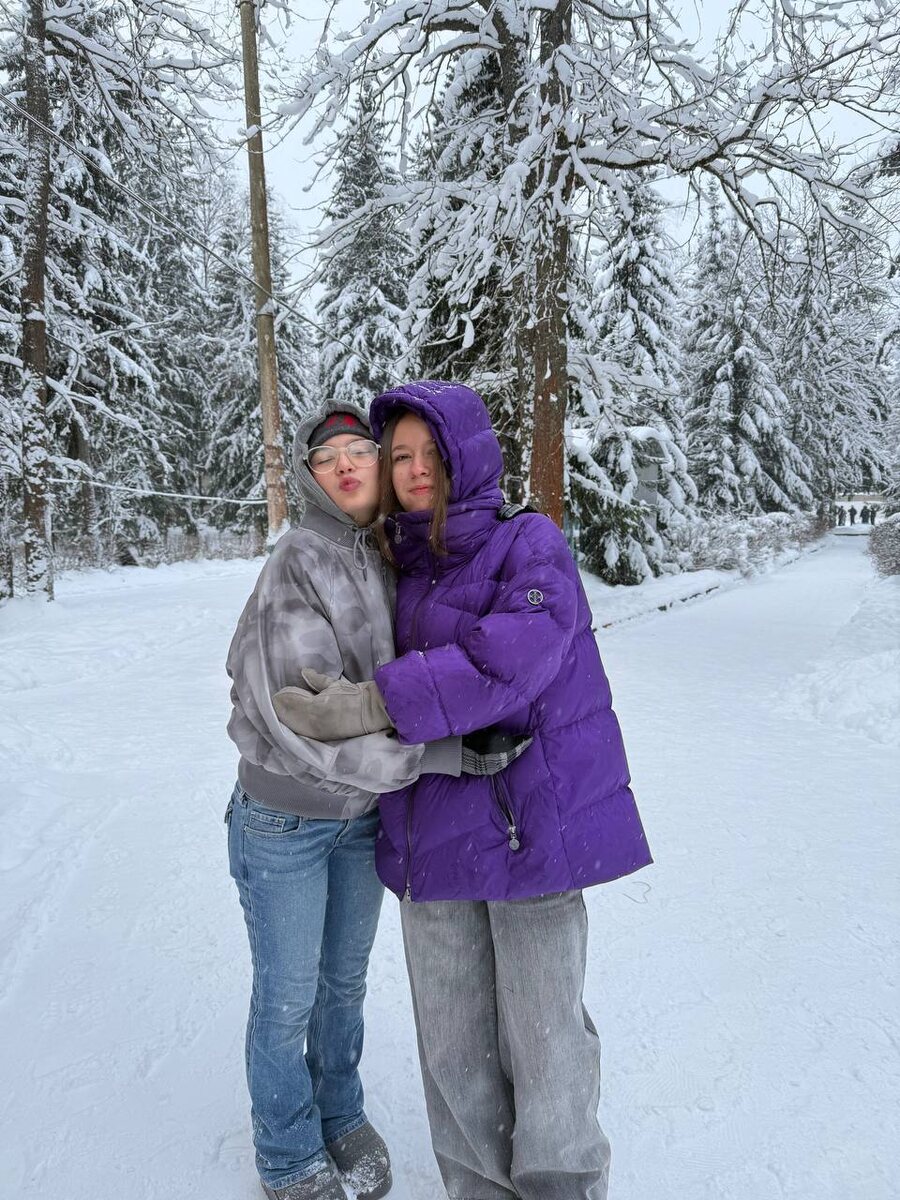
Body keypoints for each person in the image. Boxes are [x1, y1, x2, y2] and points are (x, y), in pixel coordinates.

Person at [274, 381, 653, 1200]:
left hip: (528, 835)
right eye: (399, 455)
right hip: (430, 836)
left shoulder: (529, 545)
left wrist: (373, 702)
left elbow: (510, 658)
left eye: (431, 453)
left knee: (546, 1041)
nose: (414, 469)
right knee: (452, 1051)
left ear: (469, 455)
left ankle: (561, 1188)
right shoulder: (390, 563)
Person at [226, 402, 522, 1200]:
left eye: (360, 451)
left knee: (343, 987)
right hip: (285, 820)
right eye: (327, 461)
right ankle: (286, 1149)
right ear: (310, 481)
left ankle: (340, 1113)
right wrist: (439, 755)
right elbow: (304, 726)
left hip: (357, 819)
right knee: (288, 997)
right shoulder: (299, 561)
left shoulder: (384, 552)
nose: (347, 468)